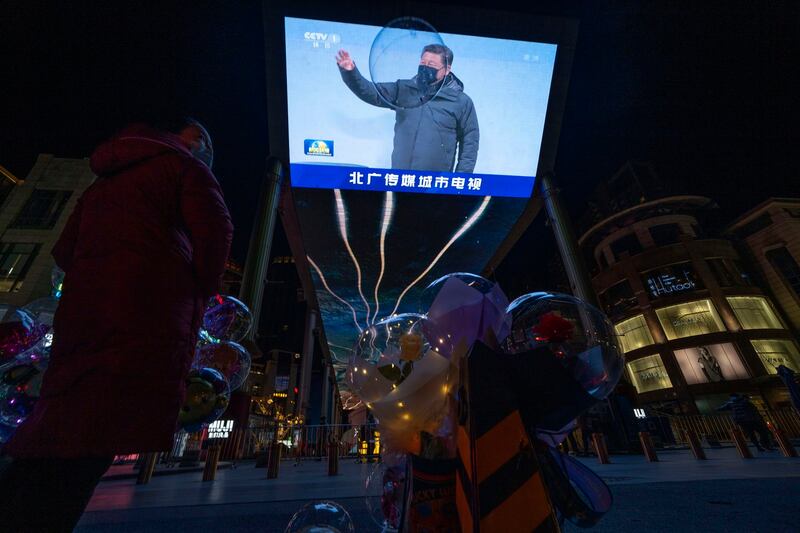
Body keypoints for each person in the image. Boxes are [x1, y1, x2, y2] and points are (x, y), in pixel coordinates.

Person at [0, 118, 233, 531]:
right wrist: (191, 283)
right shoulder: (185, 167)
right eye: (207, 140)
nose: (209, 150)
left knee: (56, 432)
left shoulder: (102, 183)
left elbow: (64, 251)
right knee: (96, 436)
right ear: (191, 141)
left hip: (83, 320)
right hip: (146, 319)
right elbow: (216, 233)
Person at [336, 44, 479, 173]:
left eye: (431, 64)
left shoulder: (461, 101)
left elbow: (470, 143)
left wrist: (461, 181)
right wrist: (350, 72)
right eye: (423, 62)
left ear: (447, 69)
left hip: (436, 185)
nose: (425, 67)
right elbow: (371, 92)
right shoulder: (404, 89)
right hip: (401, 180)